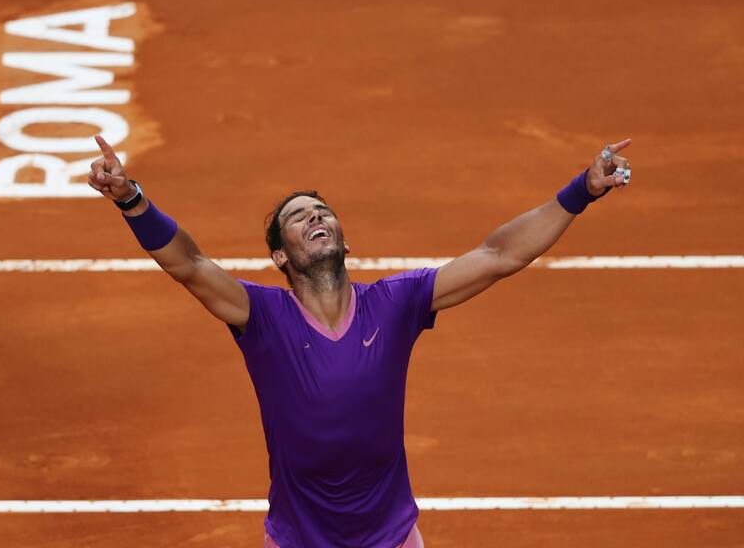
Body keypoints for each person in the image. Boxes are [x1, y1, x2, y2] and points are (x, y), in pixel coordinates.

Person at [88, 135, 632, 548]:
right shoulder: (262, 316)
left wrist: (580, 191)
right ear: (281, 256)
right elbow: (189, 263)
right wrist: (132, 198)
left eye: (321, 211)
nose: (314, 216)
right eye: (297, 218)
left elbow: (499, 255)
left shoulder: (396, 303)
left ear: (344, 240)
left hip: (390, 539)